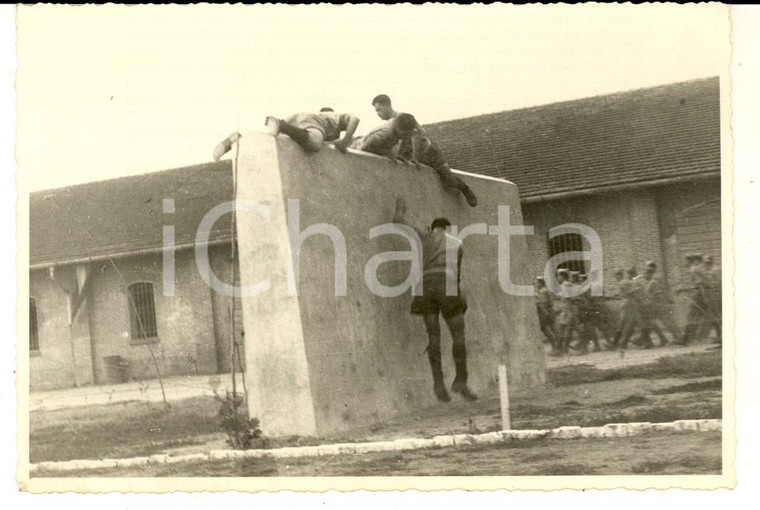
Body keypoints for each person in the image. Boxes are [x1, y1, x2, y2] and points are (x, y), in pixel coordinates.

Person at [392, 197, 477, 402]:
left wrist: (400, 209)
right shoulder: (458, 244)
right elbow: (456, 276)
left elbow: (401, 221)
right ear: (447, 228)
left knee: (434, 338)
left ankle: (438, 384)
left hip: (427, 284)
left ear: (434, 227)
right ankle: (461, 380)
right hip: (447, 282)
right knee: (458, 334)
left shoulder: (427, 236)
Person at [395, 114, 478, 207]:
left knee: (449, 181)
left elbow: (416, 154)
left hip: (434, 156)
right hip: (421, 156)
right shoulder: (400, 132)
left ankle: (465, 188)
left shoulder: (416, 135)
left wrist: (414, 159)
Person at [212, 109, 360, 161]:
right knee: (315, 143)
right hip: (305, 120)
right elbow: (354, 119)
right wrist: (345, 141)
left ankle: (237, 139)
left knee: (271, 142)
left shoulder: (316, 126)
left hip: (295, 122)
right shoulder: (329, 118)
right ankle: (281, 124)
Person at [642, 261, 680, 345]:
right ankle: (672, 337)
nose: (644, 275)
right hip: (658, 304)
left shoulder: (655, 279)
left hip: (659, 305)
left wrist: (654, 301)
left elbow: (659, 293)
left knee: (666, 321)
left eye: (647, 271)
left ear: (650, 269)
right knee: (661, 321)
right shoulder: (653, 279)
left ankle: (677, 337)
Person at [535, 276, 559, 353]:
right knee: (552, 330)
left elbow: (543, 304)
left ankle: (556, 347)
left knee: (547, 330)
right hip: (548, 311)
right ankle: (558, 347)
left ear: (540, 283)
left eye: (537, 283)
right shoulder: (544, 290)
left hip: (545, 312)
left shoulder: (543, 291)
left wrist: (545, 313)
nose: (536, 284)